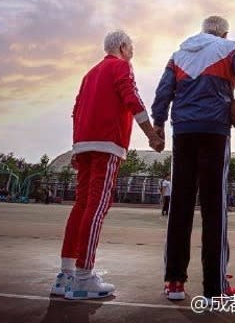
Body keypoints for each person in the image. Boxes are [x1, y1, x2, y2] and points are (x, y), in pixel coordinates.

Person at [151, 15, 235, 301]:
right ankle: (214, 288)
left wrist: (158, 124)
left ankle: (174, 283)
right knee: (214, 208)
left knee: (180, 206)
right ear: (224, 33)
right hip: (214, 131)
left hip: (182, 132)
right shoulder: (228, 49)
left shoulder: (178, 54)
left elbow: (163, 92)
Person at [52, 30, 164, 300]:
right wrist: (151, 134)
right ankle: (83, 277)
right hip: (107, 143)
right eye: (132, 47)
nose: (133, 52)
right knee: (97, 206)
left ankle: (65, 274)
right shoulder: (121, 66)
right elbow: (132, 99)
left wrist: (77, 146)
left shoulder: (90, 73)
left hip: (84, 143)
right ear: (124, 47)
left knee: (81, 206)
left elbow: (76, 110)